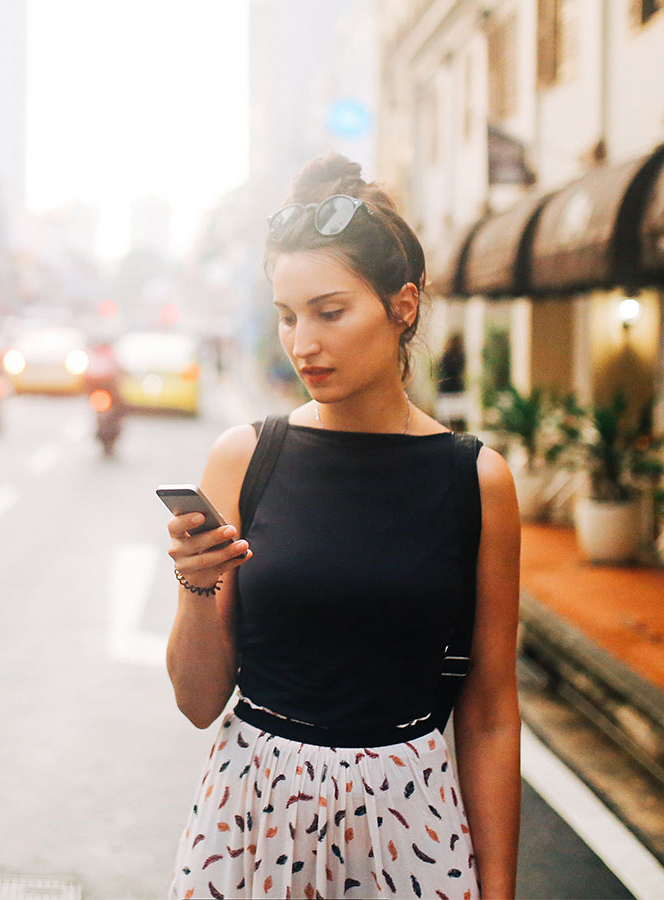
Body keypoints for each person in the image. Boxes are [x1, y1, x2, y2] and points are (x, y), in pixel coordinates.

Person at [164, 153, 521, 899]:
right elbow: (200, 703)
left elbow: (488, 711)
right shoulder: (245, 459)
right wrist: (196, 588)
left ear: (403, 305)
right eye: (288, 317)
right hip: (251, 819)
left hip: (410, 826)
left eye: (330, 312)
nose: (303, 344)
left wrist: (498, 891)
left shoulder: (475, 480)